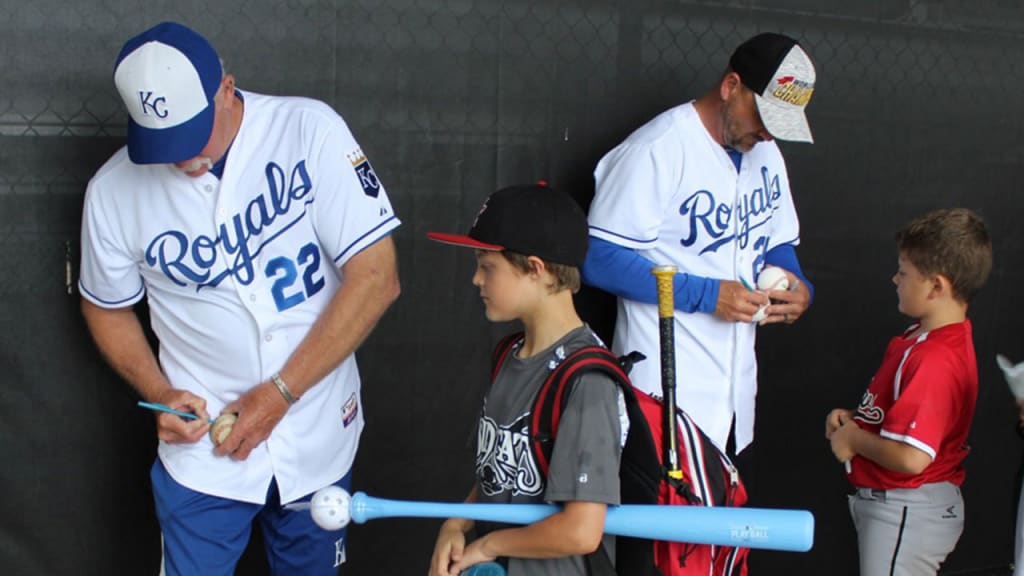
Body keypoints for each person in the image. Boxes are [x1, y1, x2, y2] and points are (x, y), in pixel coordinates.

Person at [78, 22, 400, 575]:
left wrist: (280, 393)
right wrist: (158, 391)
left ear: (227, 88)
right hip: (202, 454)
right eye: (165, 143)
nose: (183, 160)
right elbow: (106, 306)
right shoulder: (113, 190)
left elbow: (377, 277)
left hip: (316, 429)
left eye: (193, 135)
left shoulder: (307, 130)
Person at [583, 32, 817, 455]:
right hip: (662, 391)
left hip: (733, 393)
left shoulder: (766, 153)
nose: (767, 133)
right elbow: (596, 257)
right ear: (731, 87)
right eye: (763, 116)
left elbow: (777, 242)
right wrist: (707, 294)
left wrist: (797, 286)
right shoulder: (658, 148)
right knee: (653, 521)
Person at [426, 184, 627, 576]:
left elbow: (581, 530)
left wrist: (487, 544)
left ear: (535, 269)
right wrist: (456, 523)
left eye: (487, 266)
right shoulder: (509, 354)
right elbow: (498, 474)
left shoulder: (586, 381)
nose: (476, 280)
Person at [826, 208, 992, 575]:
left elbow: (913, 457)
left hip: (907, 508)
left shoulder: (936, 359)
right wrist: (859, 422)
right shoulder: (922, 338)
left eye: (904, 273)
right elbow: (907, 419)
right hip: (900, 507)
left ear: (937, 286)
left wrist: (854, 439)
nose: (894, 279)